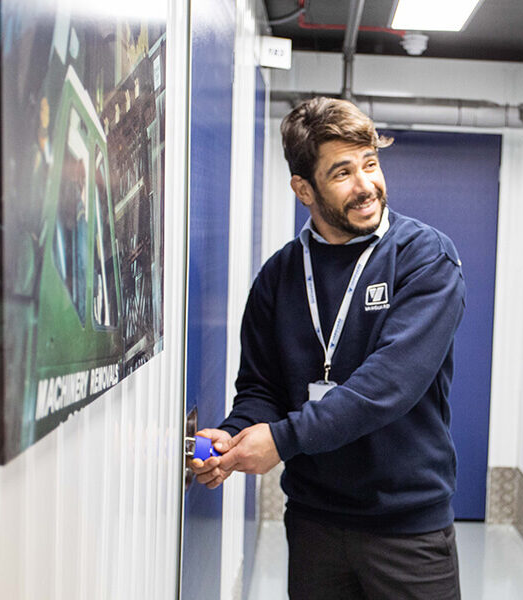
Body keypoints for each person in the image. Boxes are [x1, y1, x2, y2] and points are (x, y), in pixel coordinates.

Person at [189, 97, 466, 600]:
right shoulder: (278, 277)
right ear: (304, 189)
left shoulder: (425, 257)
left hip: (406, 529)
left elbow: (387, 386)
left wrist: (279, 441)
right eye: (342, 172)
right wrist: (231, 439)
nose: (366, 186)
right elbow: (261, 389)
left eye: (371, 164)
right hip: (315, 524)